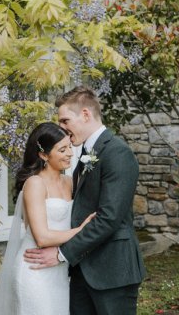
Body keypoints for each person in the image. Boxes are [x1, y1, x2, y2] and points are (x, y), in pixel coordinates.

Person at [24, 86, 146, 315]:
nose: (62, 128)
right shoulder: (84, 156)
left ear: (86, 115)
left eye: (65, 120)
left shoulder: (118, 153)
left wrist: (62, 254)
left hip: (113, 271)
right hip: (82, 270)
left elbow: (108, 219)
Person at [0, 122, 95, 315]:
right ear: (43, 155)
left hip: (59, 270)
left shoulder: (70, 182)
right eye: (62, 149)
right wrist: (82, 231)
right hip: (35, 270)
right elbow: (42, 237)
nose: (70, 154)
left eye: (69, 147)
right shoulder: (35, 183)